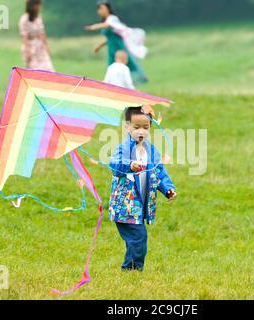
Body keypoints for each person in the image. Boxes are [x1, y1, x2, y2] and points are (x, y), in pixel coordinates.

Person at [109, 106, 177, 271]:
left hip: (141, 205)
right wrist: (130, 165)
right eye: (136, 127)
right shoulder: (124, 149)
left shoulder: (151, 151)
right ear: (127, 127)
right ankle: (133, 269)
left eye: (145, 128)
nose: (141, 131)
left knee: (135, 240)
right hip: (125, 205)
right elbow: (114, 163)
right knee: (139, 237)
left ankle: (130, 270)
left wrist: (167, 188)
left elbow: (159, 172)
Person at [85, 1, 148, 84]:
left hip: (119, 47)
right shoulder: (106, 21)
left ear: (108, 9)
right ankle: (109, 83)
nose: (100, 11)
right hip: (112, 48)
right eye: (99, 9)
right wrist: (99, 46)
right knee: (111, 65)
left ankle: (137, 80)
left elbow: (108, 25)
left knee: (128, 64)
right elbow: (109, 38)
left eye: (102, 8)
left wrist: (94, 26)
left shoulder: (112, 19)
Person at [19, 0, 54, 72]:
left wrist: (46, 47)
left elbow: (42, 33)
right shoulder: (24, 19)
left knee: (48, 69)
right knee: (34, 71)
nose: (39, 7)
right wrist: (27, 51)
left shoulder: (38, 18)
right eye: (37, 5)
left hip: (40, 47)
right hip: (31, 48)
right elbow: (24, 37)